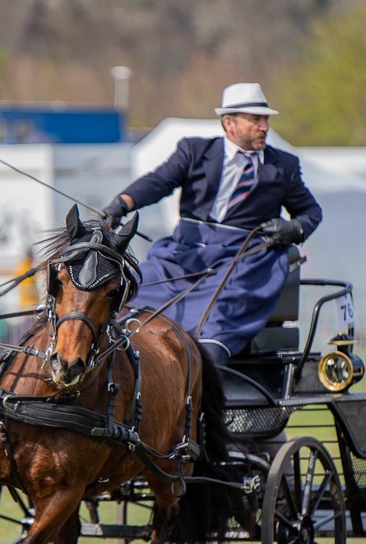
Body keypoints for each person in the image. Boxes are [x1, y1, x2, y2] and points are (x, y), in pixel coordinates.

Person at [102, 82, 322, 366]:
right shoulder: (195, 151)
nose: (264, 127)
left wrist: (294, 229)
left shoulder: (283, 166)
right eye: (255, 120)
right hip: (185, 254)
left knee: (218, 315)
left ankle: (206, 376)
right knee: (133, 289)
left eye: (265, 119)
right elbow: (159, 182)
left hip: (243, 260)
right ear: (228, 122)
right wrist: (122, 203)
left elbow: (311, 211)